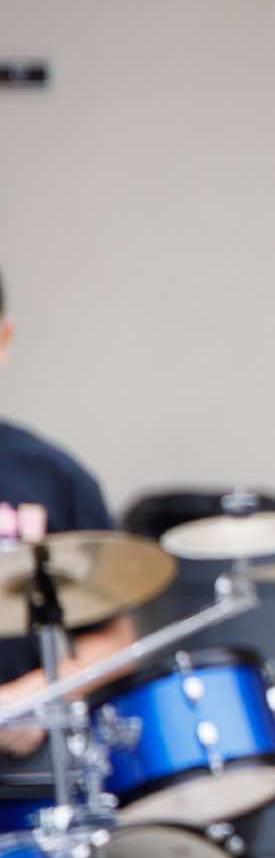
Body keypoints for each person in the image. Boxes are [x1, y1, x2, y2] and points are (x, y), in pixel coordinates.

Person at [0, 263, 138, 759]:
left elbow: (114, 638)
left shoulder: (52, 475)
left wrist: (32, 697)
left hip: (23, 775)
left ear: (3, 340)